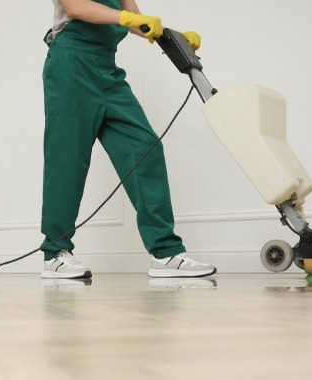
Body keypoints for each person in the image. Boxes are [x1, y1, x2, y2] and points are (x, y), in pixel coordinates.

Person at [40, 0, 217, 279]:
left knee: (144, 147)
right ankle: (56, 254)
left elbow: (137, 18)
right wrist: (126, 19)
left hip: (106, 68)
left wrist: (174, 36)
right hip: (71, 65)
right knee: (67, 160)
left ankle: (165, 252)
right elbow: (76, 8)